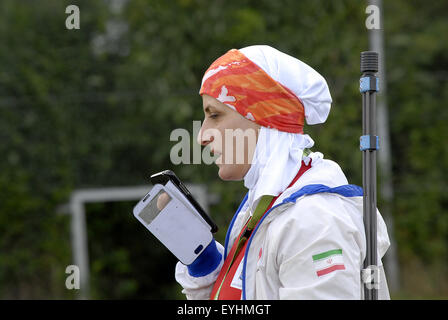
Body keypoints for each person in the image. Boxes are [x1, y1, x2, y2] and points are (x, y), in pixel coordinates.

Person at [175, 45, 391, 300]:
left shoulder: (313, 221)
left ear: (262, 119)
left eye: (215, 115)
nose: (202, 136)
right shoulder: (262, 208)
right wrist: (205, 264)